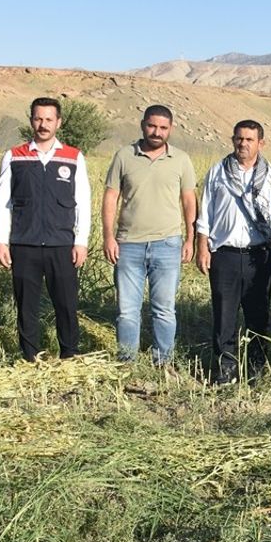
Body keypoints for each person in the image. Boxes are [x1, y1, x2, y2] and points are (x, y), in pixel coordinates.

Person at [0, 97, 92, 361]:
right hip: (24, 244)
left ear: (58, 122)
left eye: (49, 119)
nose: (43, 124)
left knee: (66, 304)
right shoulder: (14, 156)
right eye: (38, 118)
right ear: (31, 120)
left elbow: (83, 201)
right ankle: (30, 356)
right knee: (26, 306)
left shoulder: (73, 157)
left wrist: (81, 241)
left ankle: (69, 353)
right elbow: (3, 201)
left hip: (62, 244)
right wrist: (1, 240)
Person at [196, 119, 271, 385]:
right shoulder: (218, 172)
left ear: (261, 143)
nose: (243, 144)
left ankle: (256, 366)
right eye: (239, 138)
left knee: (258, 314)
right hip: (224, 254)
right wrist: (202, 247)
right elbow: (205, 213)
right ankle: (225, 368)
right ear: (232, 140)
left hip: (259, 256)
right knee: (224, 314)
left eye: (249, 139)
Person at [101, 105, 197, 365]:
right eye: (152, 126)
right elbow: (111, 197)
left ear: (171, 129)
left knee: (164, 310)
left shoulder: (181, 159)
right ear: (143, 124)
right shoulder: (124, 156)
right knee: (127, 311)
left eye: (163, 127)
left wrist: (190, 239)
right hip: (128, 244)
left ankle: (163, 362)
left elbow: (189, 201)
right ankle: (127, 362)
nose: (157, 132)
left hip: (167, 244)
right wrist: (108, 236)